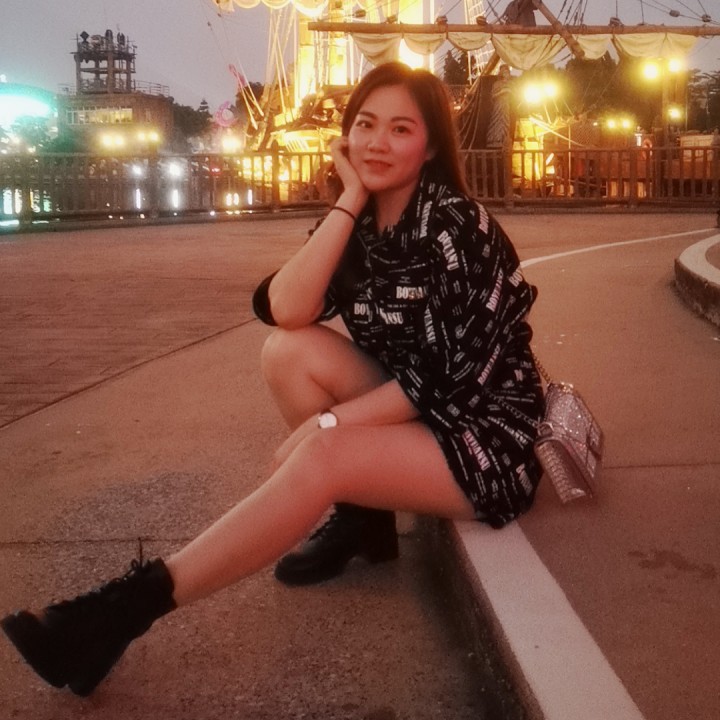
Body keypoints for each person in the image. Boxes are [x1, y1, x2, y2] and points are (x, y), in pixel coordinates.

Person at [1, 62, 544, 697]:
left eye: (401, 129)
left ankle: (121, 613)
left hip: (484, 434)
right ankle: (364, 521)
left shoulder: (455, 225)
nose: (377, 143)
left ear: (429, 148)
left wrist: (329, 426)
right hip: (417, 406)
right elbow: (284, 308)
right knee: (286, 351)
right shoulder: (363, 225)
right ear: (346, 135)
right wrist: (349, 201)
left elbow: (442, 383)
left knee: (323, 453)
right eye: (365, 125)